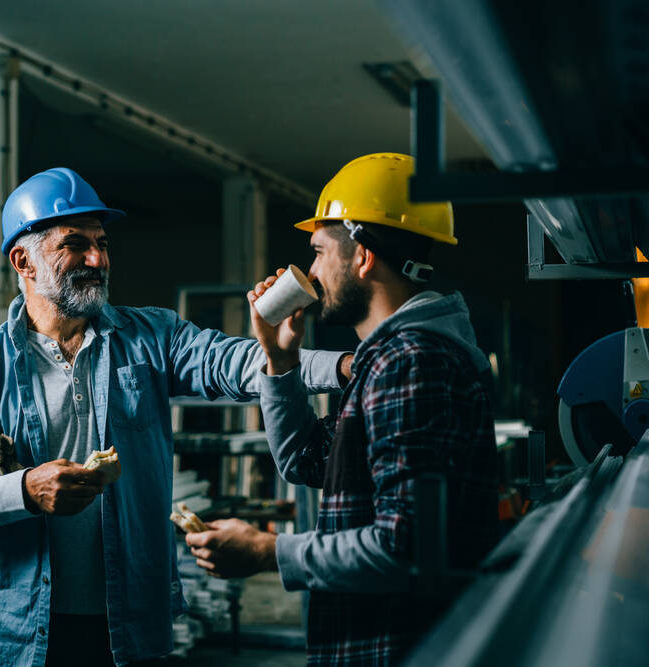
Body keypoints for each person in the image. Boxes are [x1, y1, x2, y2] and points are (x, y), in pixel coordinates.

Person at [0, 167, 352, 667]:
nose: (97, 258)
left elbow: (236, 360)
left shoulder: (151, 337)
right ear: (24, 260)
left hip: (126, 626)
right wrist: (24, 490)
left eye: (102, 243)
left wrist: (346, 367)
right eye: (76, 243)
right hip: (11, 632)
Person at [186, 153, 499, 665]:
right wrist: (281, 362)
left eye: (318, 251)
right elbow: (305, 460)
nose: (310, 271)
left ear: (363, 257)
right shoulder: (389, 360)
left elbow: (405, 547)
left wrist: (269, 552)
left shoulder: (412, 362)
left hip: (394, 647)